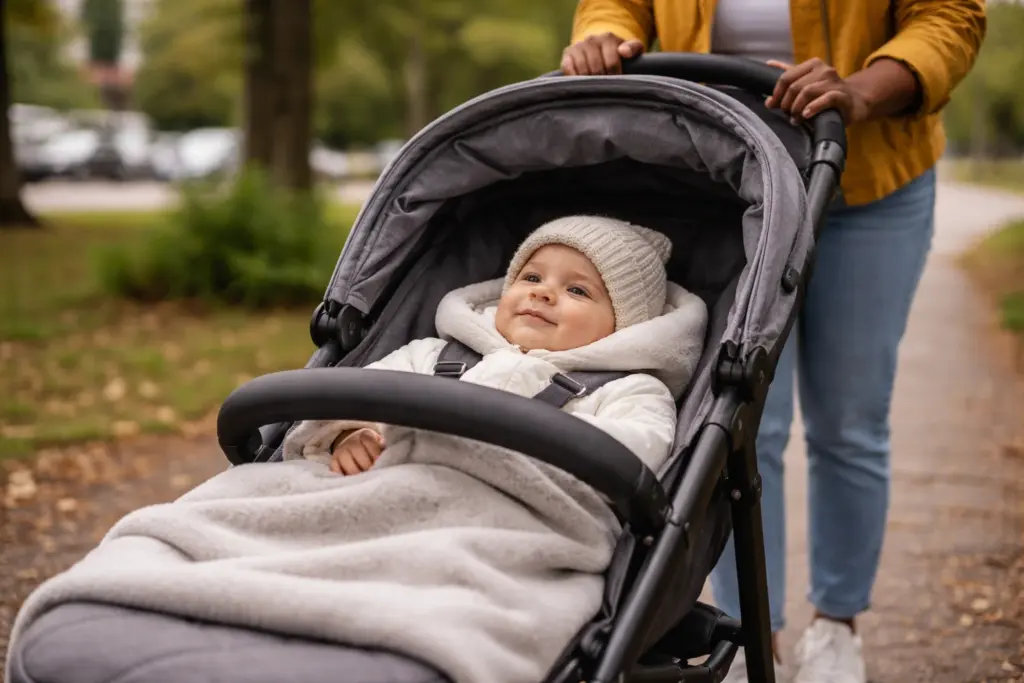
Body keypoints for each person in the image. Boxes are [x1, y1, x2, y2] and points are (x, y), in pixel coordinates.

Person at [5, 215, 709, 683]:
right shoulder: (435, 354)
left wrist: (482, 452)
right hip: (357, 503)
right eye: (530, 277)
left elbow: (628, 466)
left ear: (626, 323)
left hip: (491, 534)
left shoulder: (630, 390)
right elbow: (346, 402)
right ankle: (194, 579)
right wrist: (344, 433)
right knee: (252, 497)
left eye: (577, 289)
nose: (543, 294)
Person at [561, 2, 986, 682]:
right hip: (731, 181)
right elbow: (617, 5)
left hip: (871, 179)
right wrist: (603, 36)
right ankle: (753, 634)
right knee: (741, 426)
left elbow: (948, 17)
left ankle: (837, 627)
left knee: (850, 420)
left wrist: (861, 91)